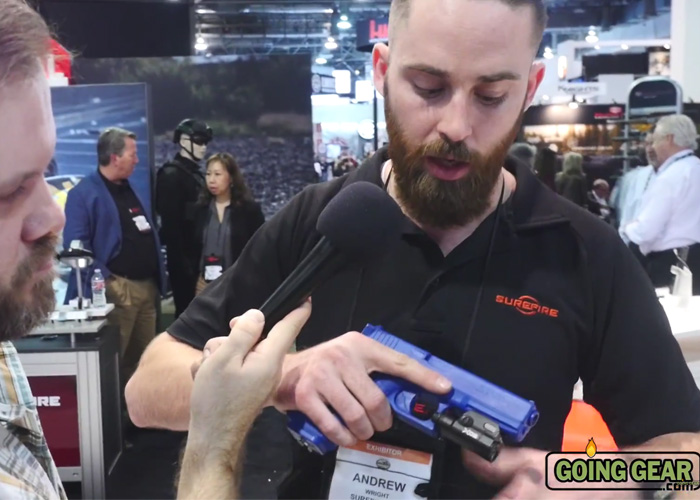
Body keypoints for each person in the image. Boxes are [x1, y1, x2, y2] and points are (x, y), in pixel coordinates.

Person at [127, 1, 700, 499]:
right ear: (381, 71)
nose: (456, 125)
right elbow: (147, 388)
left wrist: (592, 481)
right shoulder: (320, 220)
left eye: (491, 96)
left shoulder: (585, 252)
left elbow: (685, 459)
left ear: (530, 89)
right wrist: (282, 377)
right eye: (428, 88)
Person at [0, 2, 301, 498]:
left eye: (43, 173)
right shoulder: (124, 189)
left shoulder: (6, 348)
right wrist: (215, 440)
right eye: (13, 189)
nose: (51, 215)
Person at [63, 127, 167, 385]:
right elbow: (76, 247)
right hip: (118, 290)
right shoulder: (83, 194)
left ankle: (137, 409)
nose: (137, 160)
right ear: (114, 157)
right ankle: (115, 411)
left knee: (144, 363)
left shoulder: (129, 189)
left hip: (147, 289)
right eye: (133, 154)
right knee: (114, 363)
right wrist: (107, 281)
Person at [622, 114, 700, 294]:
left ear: (669, 139)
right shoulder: (696, 168)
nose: (653, 147)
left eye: (656, 140)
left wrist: (628, 228)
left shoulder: (671, 177)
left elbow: (646, 231)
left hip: (671, 265)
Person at [156, 119, 213, 317]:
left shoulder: (195, 175)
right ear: (183, 141)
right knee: (189, 316)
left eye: (205, 142)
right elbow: (171, 227)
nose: (203, 147)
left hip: (198, 258)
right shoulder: (172, 175)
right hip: (185, 262)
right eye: (199, 141)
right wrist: (184, 267)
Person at [194, 153, 264, 295]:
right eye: (208, 174)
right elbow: (191, 249)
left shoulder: (249, 211)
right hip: (205, 286)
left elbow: (260, 248)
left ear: (231, 178)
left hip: (239, 286)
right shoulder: (200, 210)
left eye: (217, 174)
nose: (211, 180)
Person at [610, 132, 656, 244]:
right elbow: (622, 211)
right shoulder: (632, 178)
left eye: (654, 143)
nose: (650, 149)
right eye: (647, 144)